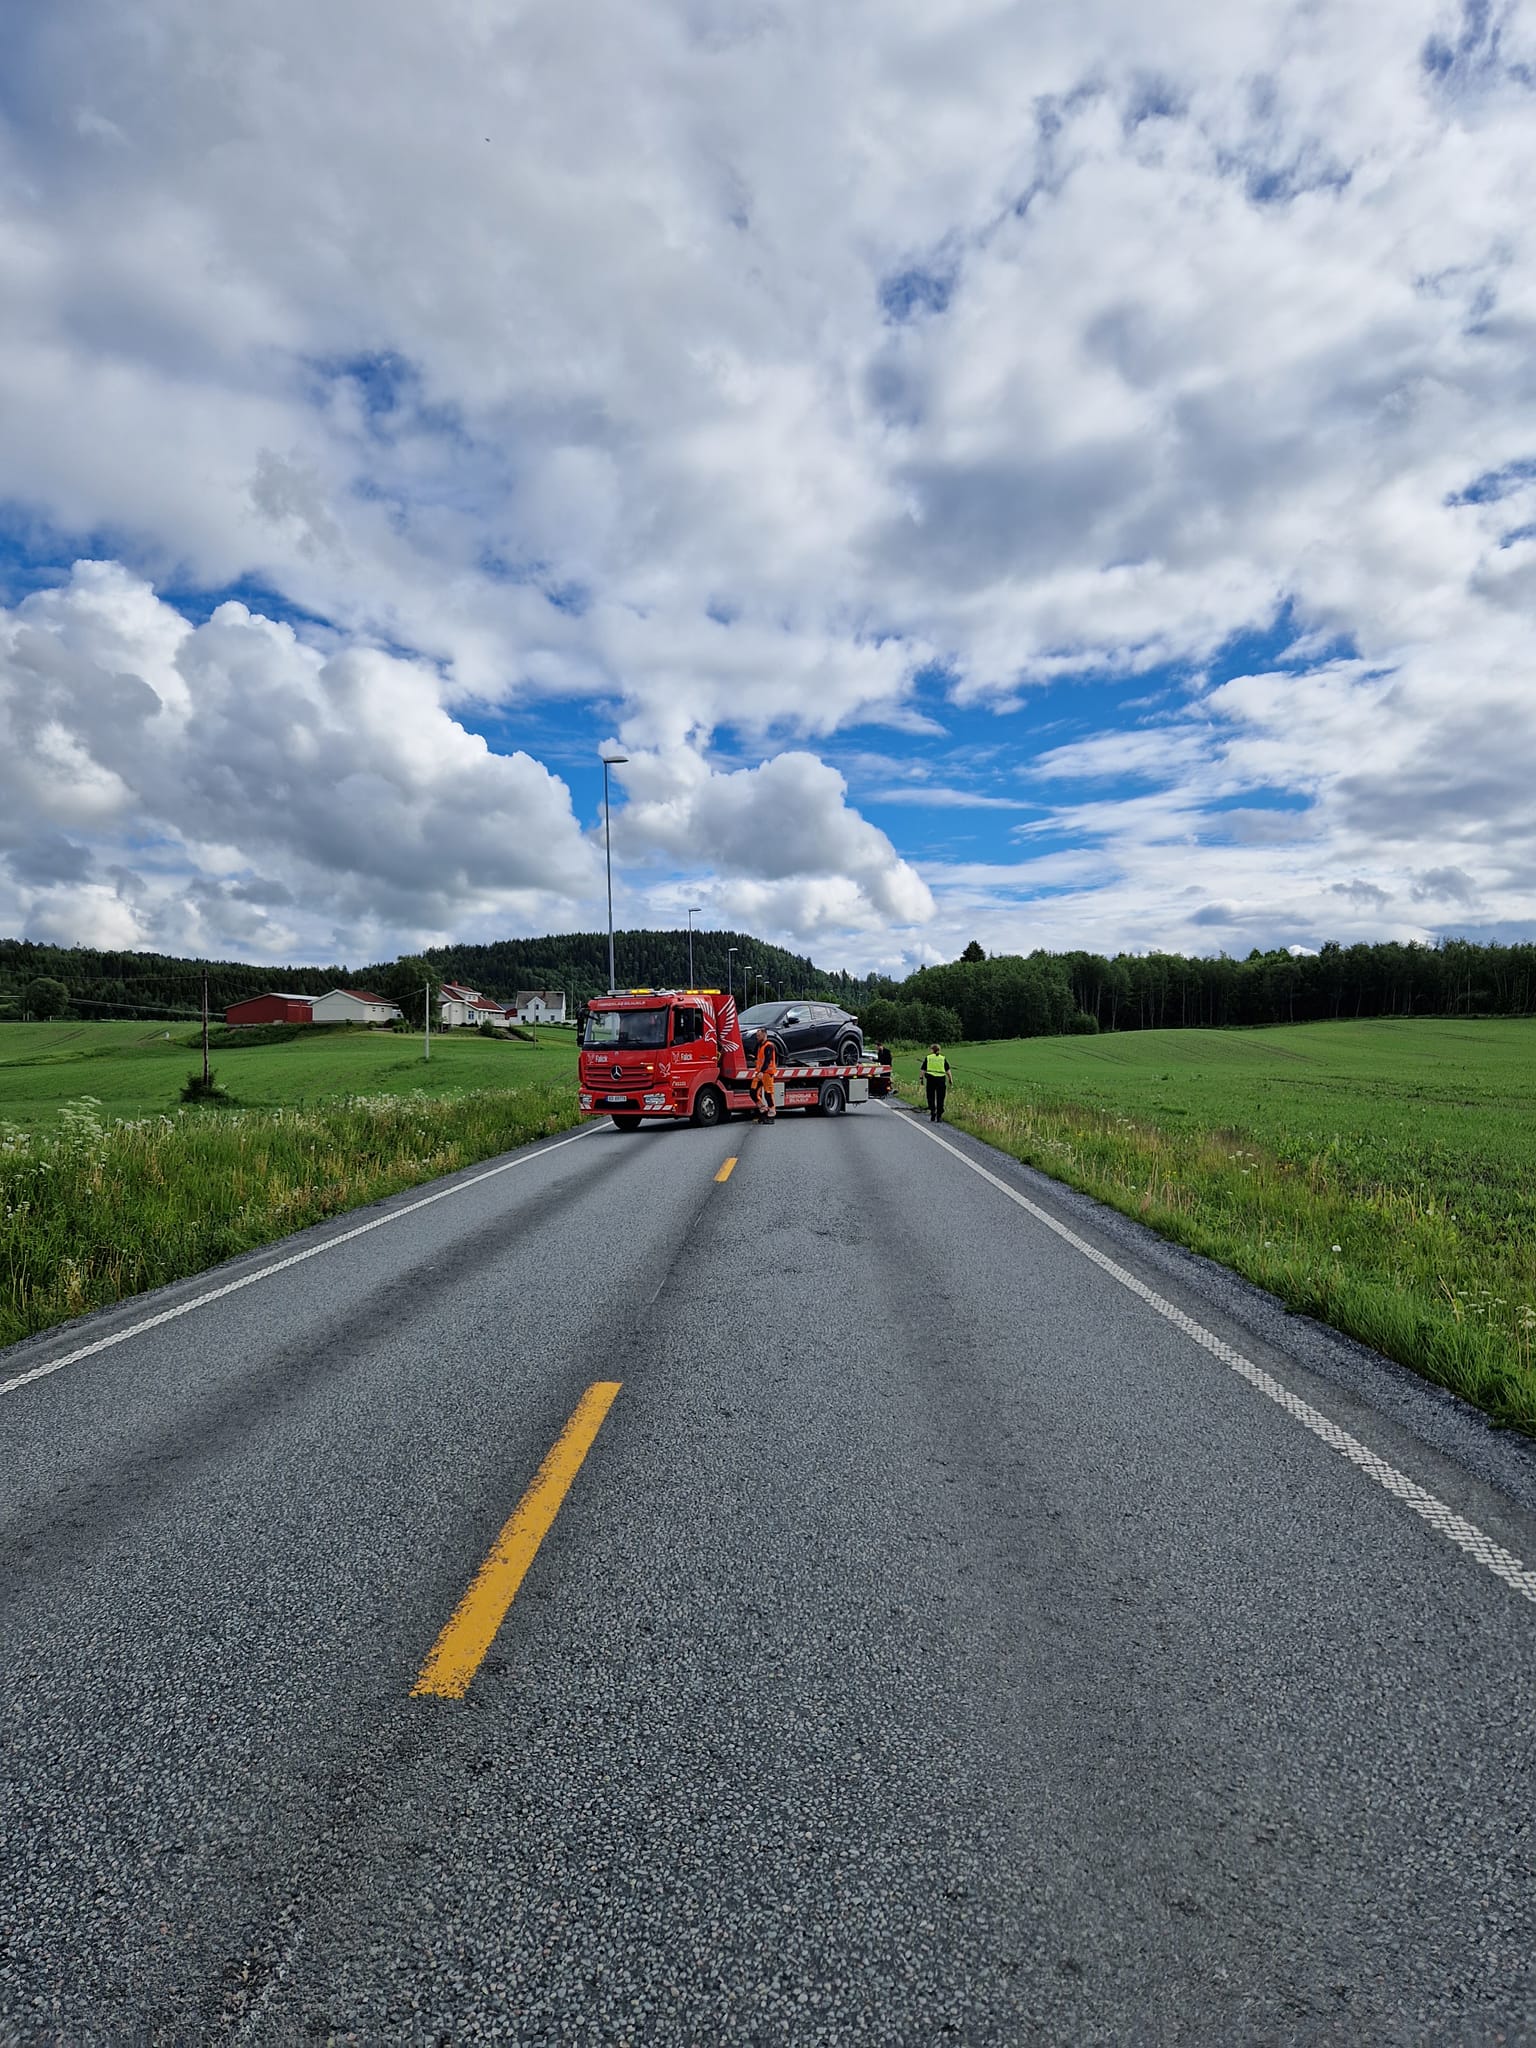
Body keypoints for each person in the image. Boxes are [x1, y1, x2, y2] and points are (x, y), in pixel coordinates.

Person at [749, 1034, 780, 1123]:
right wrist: (754, 1058)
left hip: (767, 1073)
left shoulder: (769, 1046)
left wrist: (762, 1071)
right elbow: (760, 1059)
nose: (757, 1037)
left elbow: (768, 1060)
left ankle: (771, 1114)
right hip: (760, 1073)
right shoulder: (759, 1046)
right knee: (753, 1092)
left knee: (768, 1094)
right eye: (757, 1036)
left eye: (759, 1035)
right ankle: (763, 1109)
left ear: (764, 1035)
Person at [922, 1043, 952, 1122]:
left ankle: (933, 1111)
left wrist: (921, 1078)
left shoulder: (928, 1058)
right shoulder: (942, 1058)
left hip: (931, 1079)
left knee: (930, 1096)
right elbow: (948, 1070)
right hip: (941, 1080)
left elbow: (923, 1069)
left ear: (932, 1050)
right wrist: (950, 1079)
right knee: (940, 1097)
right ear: (939, 1050)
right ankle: (939, 1115)